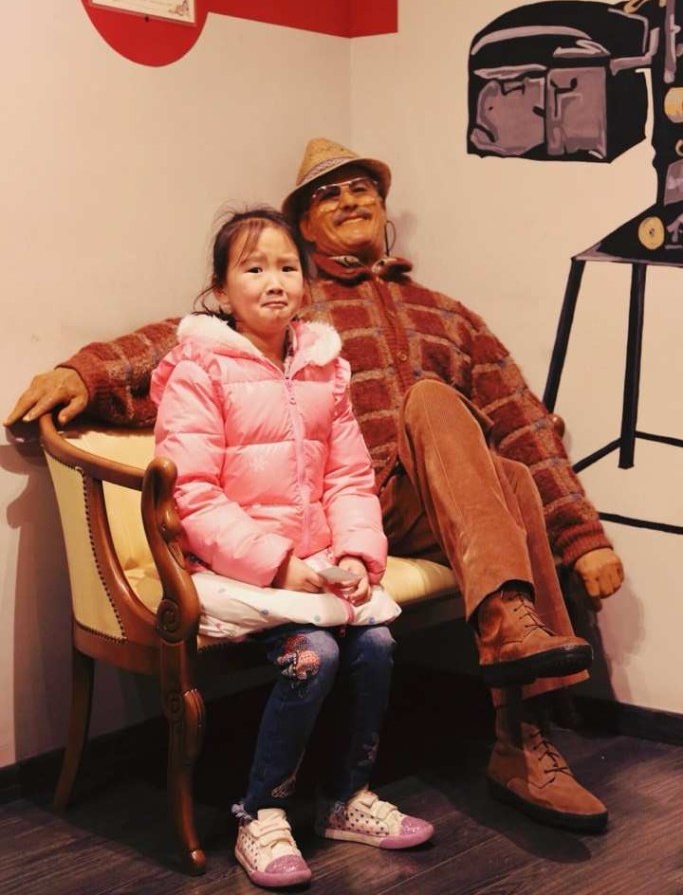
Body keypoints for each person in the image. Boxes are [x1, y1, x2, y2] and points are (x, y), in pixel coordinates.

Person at [6, 138, 624, 834]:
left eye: (362, 189)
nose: (350, 200)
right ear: (303, 224)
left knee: (506, 472)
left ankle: (521, 743)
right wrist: (84, 372)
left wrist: (582, 537)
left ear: (383, 209)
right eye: (329, 194)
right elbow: (172, 344)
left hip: (449, 504)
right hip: (361, 506)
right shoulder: (296, 308)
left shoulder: (447, 316)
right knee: (432, 404)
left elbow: (521, 420)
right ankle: (520, 704)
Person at [150, 206, 433, 889]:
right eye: (253, 268)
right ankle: (261, 813)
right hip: (235, 573)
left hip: (315, 573)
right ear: (221, 291)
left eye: (286, 267)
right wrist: (277, 565)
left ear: (305, 284)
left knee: (377, 644)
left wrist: (356, 556)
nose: (273, 281)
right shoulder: (199, 369)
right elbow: (193, 495)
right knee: (315, 656)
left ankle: (344, 797)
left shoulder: (322, 368)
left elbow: (348, 477)